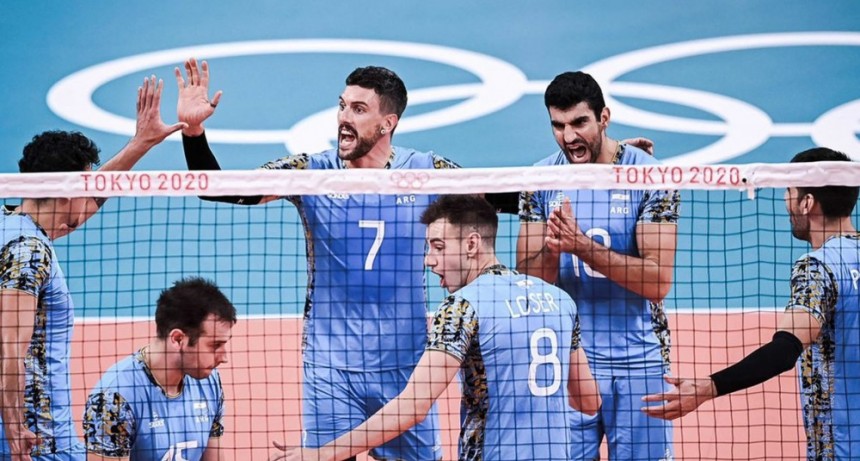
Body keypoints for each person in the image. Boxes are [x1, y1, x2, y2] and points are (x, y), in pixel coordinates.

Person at [174, 58, 460, 461]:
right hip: (331, 369)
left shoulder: (427, 171)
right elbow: (221, 189)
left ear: (388, 123)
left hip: (407, 369)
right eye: (342, 106)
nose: (344, 118)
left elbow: (508, 194)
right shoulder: (311, 172)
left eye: (358, 109)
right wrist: (193, 133)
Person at [269, 194, 601, 461]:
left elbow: (413, 407)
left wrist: (321, 454)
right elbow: (588, 401)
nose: (429, 259)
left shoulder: (462, 307)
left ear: (472, 244)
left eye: (439, 247)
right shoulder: (559, 300)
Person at [0, 78, 186, 460]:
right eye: (87, 184)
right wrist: (16, 428)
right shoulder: (29, 252)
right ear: (69, 189)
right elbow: (9, 350)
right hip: (41, 441)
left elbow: (78, 211)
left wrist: (140, 144)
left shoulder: (11, 225)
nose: (90, 197)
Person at [642, 148, 860, 460]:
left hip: (842, 446)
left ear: (807, 202)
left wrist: (709, 387)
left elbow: (785, 349)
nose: (786, 200)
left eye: (789, 191)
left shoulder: (818, 268)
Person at [517, 71, 680, 460]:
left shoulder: (649, 176)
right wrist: (554, 248)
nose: (569, 137)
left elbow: (657, 282)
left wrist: (580, 246)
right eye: (558, 126)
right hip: (569, 363)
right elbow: (529, 285)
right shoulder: (540, 180)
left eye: (579, 123)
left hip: (639, 360)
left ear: (604, 118)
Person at [82, 277, 236, 461]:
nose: (224, 358)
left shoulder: (209, 382)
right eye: (215, 345)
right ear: (178, 339)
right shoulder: (114, 399)